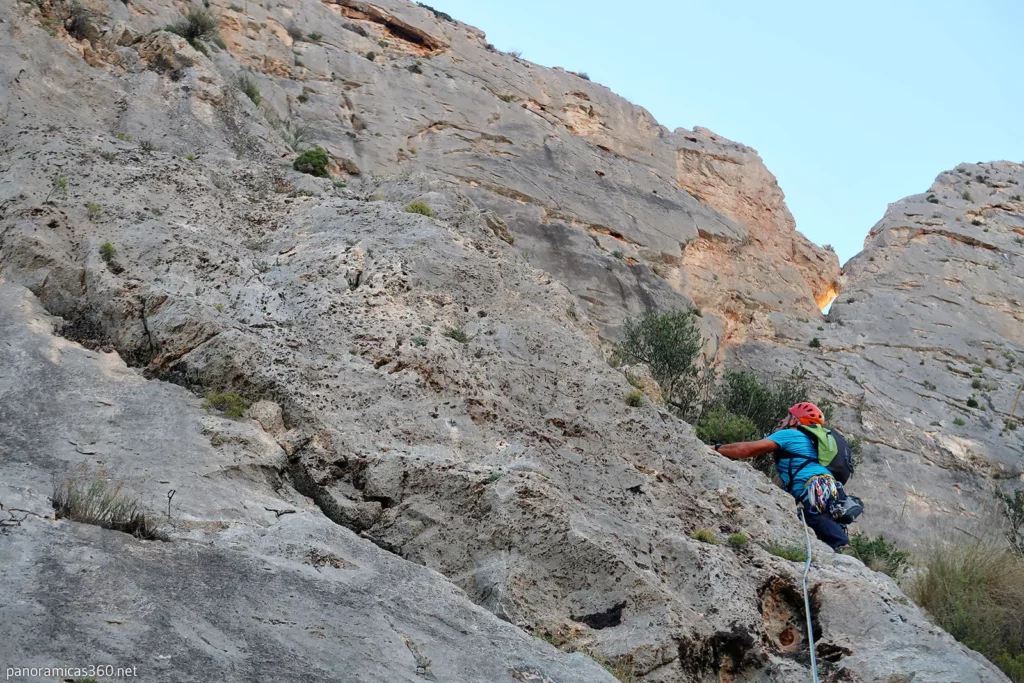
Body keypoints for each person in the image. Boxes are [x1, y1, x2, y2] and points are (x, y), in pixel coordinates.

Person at [711, 402, 850, 549]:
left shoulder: (790, 434)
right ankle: (842, 554)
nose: (781, 421)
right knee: (822, 527)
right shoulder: (811, 442)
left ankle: (844, 550)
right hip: (829, 488)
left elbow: (746, 450)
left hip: (815, 489)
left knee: (817, 519)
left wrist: (716, 448)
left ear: (795, 421)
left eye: (786, 417)